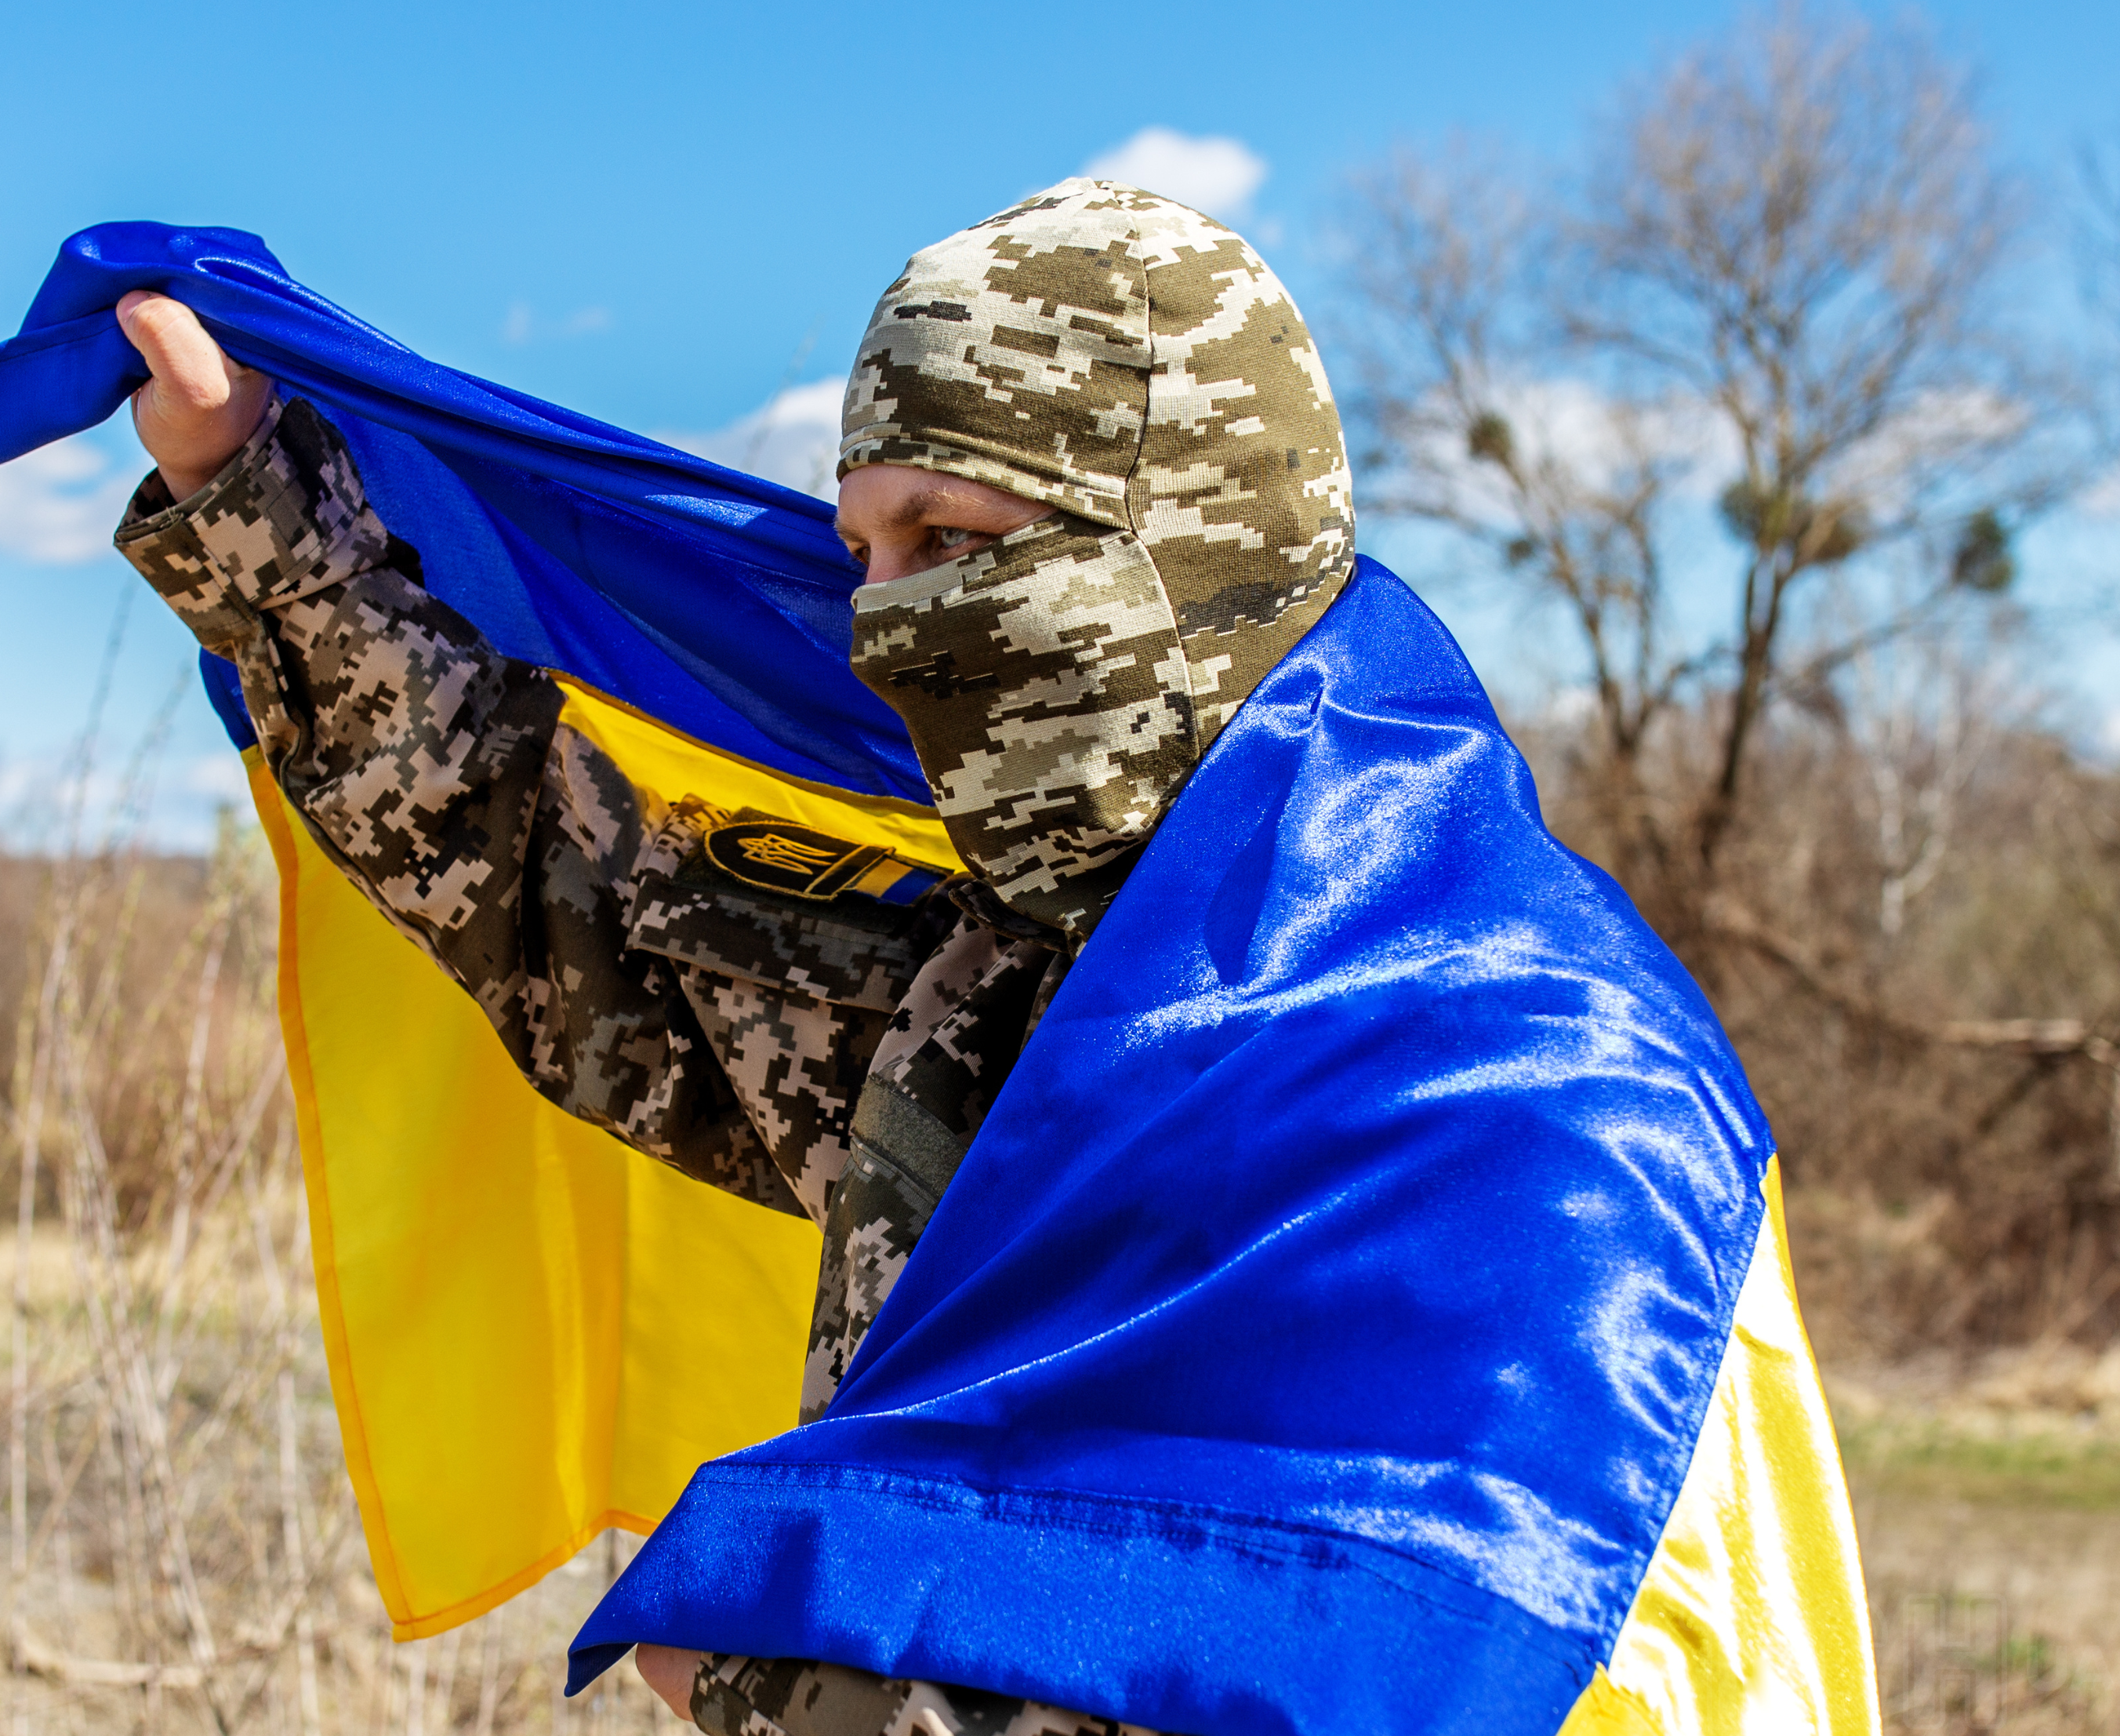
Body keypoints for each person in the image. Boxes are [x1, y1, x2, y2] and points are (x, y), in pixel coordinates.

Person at [109, 180, 1868, 1736]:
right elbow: (584, 934)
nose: (881, 630)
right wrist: (259, 513)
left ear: (1185, 548)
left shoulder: (1526, 1086)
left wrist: (786, 1686)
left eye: (949, 543)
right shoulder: (1006, 978)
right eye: (856, 550)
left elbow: (1459, 1668)